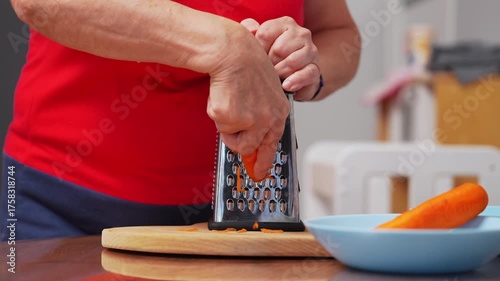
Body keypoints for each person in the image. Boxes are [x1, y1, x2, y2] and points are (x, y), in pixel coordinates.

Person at [1, 0, 360, 240]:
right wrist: (225, 45)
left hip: (228, 223)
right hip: (59, 206)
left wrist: (308, 71)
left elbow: (339, 33)